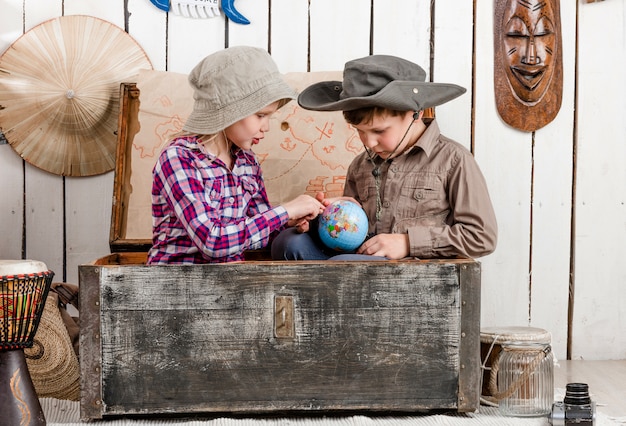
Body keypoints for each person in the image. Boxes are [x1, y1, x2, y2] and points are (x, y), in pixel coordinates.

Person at [271, 54, 497, 261]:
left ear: (415, 114)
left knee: (343, 264)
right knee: (289, 242)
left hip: (415, 275)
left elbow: (481, 236)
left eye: (379, 131)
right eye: (360, 131)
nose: (368, 142)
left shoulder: (453, 160)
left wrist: (409, 243)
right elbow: (351, 240)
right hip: (358, 264)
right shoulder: (360, 166)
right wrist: (325, 220)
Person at [147, 46, 324, 264]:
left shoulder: (247, 162)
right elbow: (213, 242)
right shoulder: (179, 158)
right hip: (172, 286)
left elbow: (256, 234)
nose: (266, 127)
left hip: (230, 284)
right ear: (231, 111)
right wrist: (285, 211)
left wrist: (291, 221)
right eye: (260, 115)